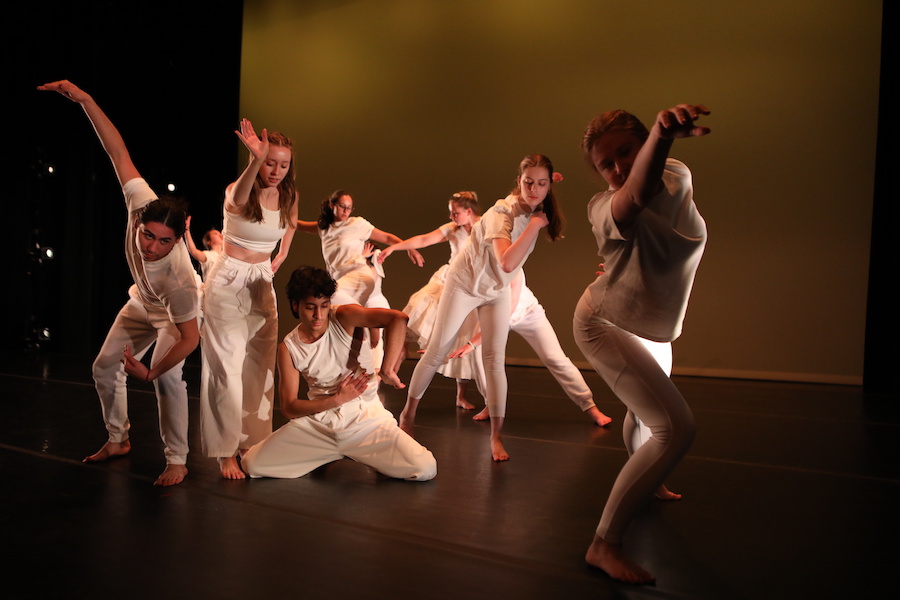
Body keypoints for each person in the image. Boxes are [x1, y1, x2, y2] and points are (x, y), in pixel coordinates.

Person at [38, 80, 200, 486]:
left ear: (179, 238)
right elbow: (117, 150)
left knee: (167, 377)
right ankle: (118, 439)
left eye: (164, 241)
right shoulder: (140, 200)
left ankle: (177, 458)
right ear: (141, 221)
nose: (151, 246)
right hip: (141, 302)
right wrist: (87, 101)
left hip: (173, 317)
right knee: (104, 368)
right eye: (148, 235)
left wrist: (149, 371)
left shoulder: (181, 278)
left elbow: (189, 339)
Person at [574, 104, 710, 584]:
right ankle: (603, 545)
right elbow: (632, 198)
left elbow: (651, 180)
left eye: (624, 152)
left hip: (650, 326)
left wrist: (659, 141)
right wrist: (659, 136)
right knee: (675, 429)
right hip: (605, 322)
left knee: (642, 413)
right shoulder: (602, 206)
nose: (616, 169)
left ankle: (646, 480)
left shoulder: (675, 171)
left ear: (644, 144)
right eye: (604, 164)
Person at [399, 154, 565, 462]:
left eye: (542, 184)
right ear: (519, 181)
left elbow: (506, 271)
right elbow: (506, 260)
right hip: (463, 285)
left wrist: (544, 192)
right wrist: (535, 225)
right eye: (528, 182)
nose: (534, 189)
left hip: (495, 290)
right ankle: (407, 416)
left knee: (494, 359)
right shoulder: (500, 214)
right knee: (437, 350)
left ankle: (497, 437)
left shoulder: (538, 201)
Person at [241, 266, 437, 481]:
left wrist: (388, 368)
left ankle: (358, 452)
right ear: (295, 306)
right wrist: (337, 400)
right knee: (252, 464)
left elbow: (397, 319)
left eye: (324, 306)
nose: (318, 315)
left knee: (425, 468)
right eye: (310, 307)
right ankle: (327, 453)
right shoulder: (288, 348)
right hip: (320, 424)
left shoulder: (343, 316)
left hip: (366, 420)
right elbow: (289, 408)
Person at [200, 118, 298, 479]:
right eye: (270, 162)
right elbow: (237, 198)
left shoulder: (289, 195)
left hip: (261, 282)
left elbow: (285, 234)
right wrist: (254, 160)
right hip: (227, 280)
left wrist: (277, 260)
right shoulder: (239, 190)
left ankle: (251, 443)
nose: (276, 170)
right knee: (225, 366)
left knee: (258, 367)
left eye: (283, 164)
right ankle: (225, 451)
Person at [449, 270, 613, 427]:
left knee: (555, 359)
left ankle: (590, 407)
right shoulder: (473, 270)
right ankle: (492, 406)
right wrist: (443, 346)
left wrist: (472, 343)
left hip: (527, 313)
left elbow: (506, 314)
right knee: (480, 358)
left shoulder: (512, 267)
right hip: (492, 317)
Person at [378, 191, 484, 409]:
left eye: (455, 213)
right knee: (421, 302)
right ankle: (401, 349)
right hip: (450, 278)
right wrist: (395, 248)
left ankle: (461, 395)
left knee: (464, 334)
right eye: (451, 213)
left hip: (472, 285)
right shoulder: (452, 229)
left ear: (468, 212)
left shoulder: (485, 227)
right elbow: (425, 239)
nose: (452, 217)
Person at [296, 191, 423, 365]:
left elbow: (385, 237)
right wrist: (278, 215)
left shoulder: (357, 224)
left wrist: (409, 248)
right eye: (342, 206)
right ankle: (367, 371)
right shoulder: (324, 227)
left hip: (359, 274)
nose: (346, 211)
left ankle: (370, 325)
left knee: (328, 298)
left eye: (349, 207)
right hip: (340, 279)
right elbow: (297, 225)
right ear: (332, 205)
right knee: (338, 316)